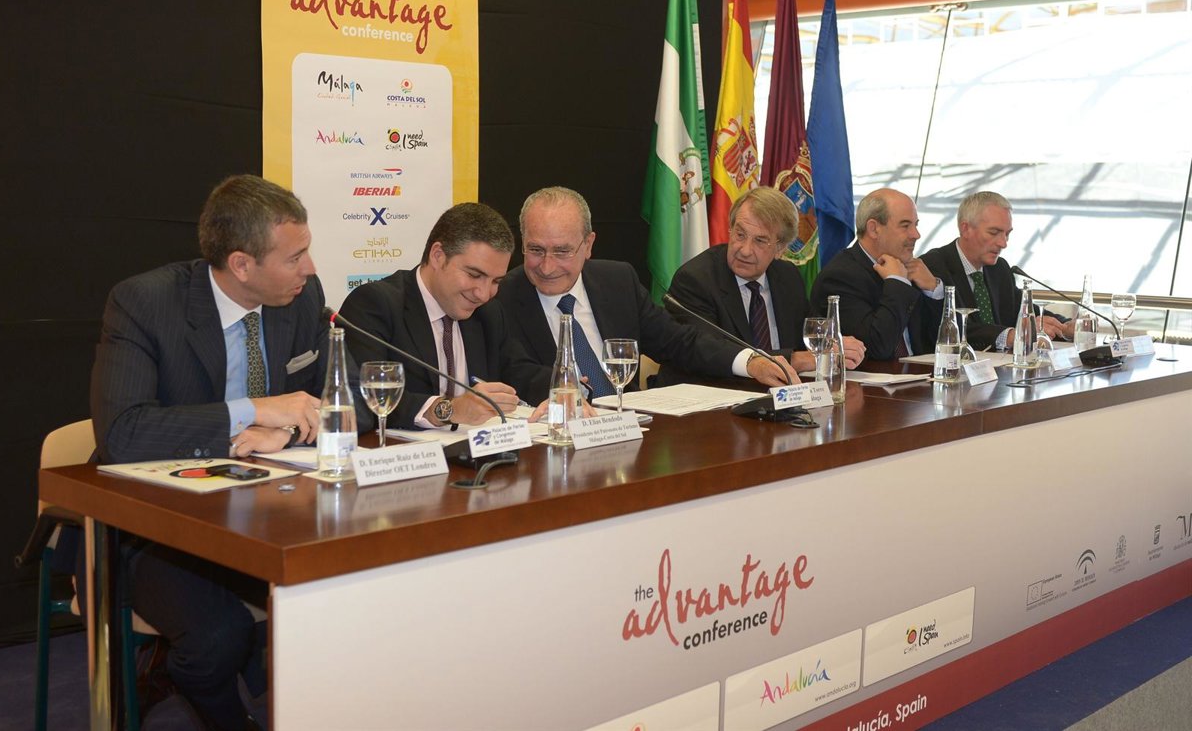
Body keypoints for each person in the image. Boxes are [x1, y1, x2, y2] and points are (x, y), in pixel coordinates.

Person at [90, 174, 362, 730]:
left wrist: (285, 432)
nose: (310, 268)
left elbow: (345, 394)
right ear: (241, 264)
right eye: (295, 257)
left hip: (267, 512)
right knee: (220, 636)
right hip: (157, 525)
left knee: (347, 591)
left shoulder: (301, 297)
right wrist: (253, 410)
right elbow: (123, 433)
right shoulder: (145, 303)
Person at [496, 186, 796, 397]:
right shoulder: (501, 298)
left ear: (588, 245)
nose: (547, 267)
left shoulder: (617, 282)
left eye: (562, 251)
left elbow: (679, 342)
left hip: (629, 432)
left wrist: (750, 362)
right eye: (536, 250)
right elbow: (513, 373)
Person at [339, 202, 549, 429]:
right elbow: (366, 399)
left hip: (471, 447)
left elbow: (521, 374)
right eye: (474, 275)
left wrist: (565, 391)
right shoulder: (375, 305)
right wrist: (449, 409)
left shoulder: (488, 313)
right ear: (438, 256)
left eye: (496, 281)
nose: (484, 294)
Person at [667, 186, 866, 374]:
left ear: (780, 249)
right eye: (740, 234)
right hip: (714, 392)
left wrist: (835, 346)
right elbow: (710, 354)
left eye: (760, 241)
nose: (745, 250)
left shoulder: (787, 277)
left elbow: (810, 337)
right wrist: (796, 360)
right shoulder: (696, 280)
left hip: (781, 393)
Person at [921, 191, 1072, 350]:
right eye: (994, 233)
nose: (1003, 243)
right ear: (965, 229)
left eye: (1007, 234)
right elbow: (951, 327)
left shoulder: (999, 268)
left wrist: (1066, 326)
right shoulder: (934, 266)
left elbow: (1026, 311)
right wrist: (1009, 336)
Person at [810, 188, 943, 360]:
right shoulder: (839, 277)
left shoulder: (911, 268)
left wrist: (932, 289)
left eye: (915, 225)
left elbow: (948, 342)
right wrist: (897, 282)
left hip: (920, 371)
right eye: (905, 226)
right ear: (873, 229)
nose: (916, 235)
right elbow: (876, 348)